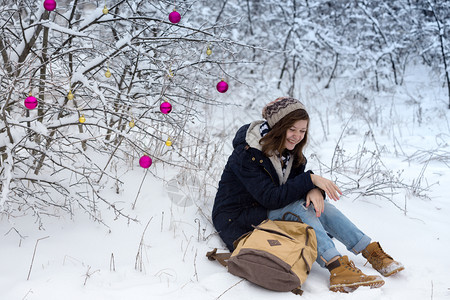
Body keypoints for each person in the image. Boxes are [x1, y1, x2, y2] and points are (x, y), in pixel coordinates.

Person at [212, 97, 404, 293]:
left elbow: (292, 188)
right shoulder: (247, 154)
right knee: (298, 207)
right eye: (292, 129)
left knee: (320, 207)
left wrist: (314, 189)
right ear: (278, 126)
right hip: (236, 218)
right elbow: (270, 197)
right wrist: (310, 180)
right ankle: (336, 267)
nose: (297, 136)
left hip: (264, 210)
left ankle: (370, 251)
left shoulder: (290, 154)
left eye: (302, 131)